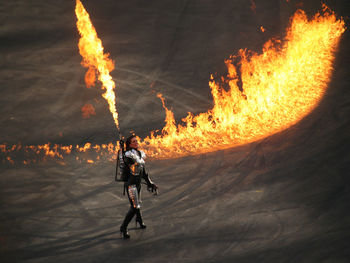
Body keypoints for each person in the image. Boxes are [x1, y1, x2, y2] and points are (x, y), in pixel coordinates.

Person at [119, 135, 158, 239]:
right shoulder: (127, 155)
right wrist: (122, 149)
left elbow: (144, 172)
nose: (137, 142)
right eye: (134, 141)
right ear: (130, 144)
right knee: (135, 206)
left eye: (137, 140)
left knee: (138, 203)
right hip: (131, 185)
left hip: (138, 184)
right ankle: (123, 227)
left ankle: (139, 219)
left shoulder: (140, 153)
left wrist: (150, 183)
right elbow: (126, 162)